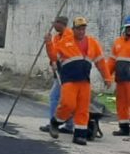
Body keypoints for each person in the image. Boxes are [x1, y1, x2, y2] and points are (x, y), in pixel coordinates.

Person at [48, 16, 112, 146]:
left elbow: (100, 62)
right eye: (78, 29)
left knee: (83, 109)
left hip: (84, 81)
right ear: (73, 29)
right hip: (69, 79)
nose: (81, 31)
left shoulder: (93, 43)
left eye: (83, 28)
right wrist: (48, 43)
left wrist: (107, 77)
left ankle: (80, 135)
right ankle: (56, 122)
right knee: (68, 104)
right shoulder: (65, 42)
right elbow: (54, 56)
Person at [39, 16, 74, 134]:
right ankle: (69, 125)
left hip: (68, 71)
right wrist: (53, 60)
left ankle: (53, 123)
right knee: (64, 99)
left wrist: (55, 57)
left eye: (55, 23)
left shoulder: (69, 36)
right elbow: (53, 54)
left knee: (55, 96)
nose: (53, 26)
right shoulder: (57, 37)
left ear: (61, 24)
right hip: (59, 70)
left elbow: (63, 52)